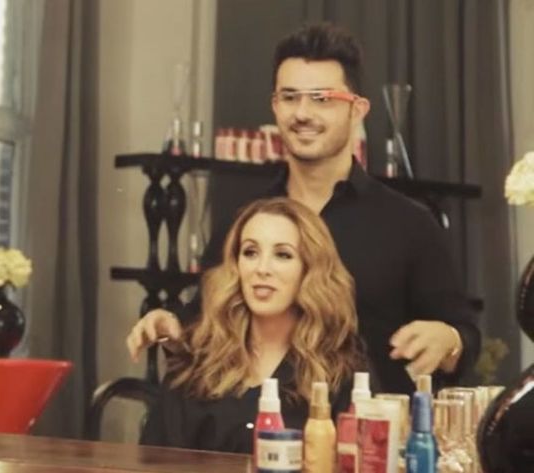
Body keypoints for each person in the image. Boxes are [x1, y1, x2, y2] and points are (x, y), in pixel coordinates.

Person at [127, 22, 480, 395]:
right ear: (275, 106)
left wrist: (449, 340)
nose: (302, 113)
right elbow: (206, 321)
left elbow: (465, 335)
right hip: (258, 422)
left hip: (368, 425)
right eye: (290, 97)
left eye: (322, 99)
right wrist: (172, 328)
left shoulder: (408, 224)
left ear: (357, 110)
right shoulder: (246, 221)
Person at [139, 197, 365, 453]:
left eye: (282, 255)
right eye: (250, 252)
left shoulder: (341, 365)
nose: (262, 268)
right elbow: (152, 459)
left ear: (309, 270)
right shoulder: (196, 360)